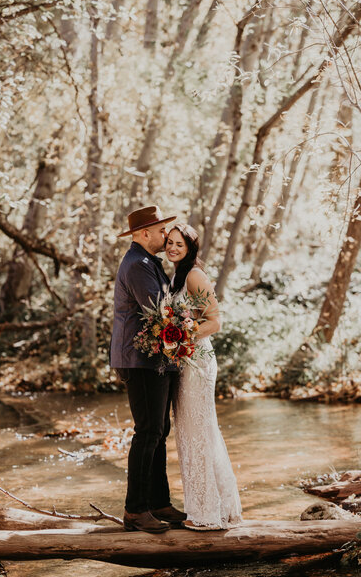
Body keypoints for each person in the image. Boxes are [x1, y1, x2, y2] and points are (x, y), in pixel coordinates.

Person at [110, 205, 187, 534]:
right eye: (159, 231)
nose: (164, 236)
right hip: (139, 361)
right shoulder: (138, 264)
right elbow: (160, 312)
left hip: (155, 359)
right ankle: (135, 510)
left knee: (159, 432)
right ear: (143, 234)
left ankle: (158, 503)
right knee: (148, 433)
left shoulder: (147, 262)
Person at [165, 223, 242, 531]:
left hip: (198, 360)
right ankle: (207, 509)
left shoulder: (195, 275)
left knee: (200, 433)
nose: (172, 248)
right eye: (169, 243)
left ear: (190, 249)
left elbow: (216, 321)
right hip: (184, 362)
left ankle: (210, 514)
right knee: (190, 434)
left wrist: (183, 337)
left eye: (179, 245)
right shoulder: (175, 276)